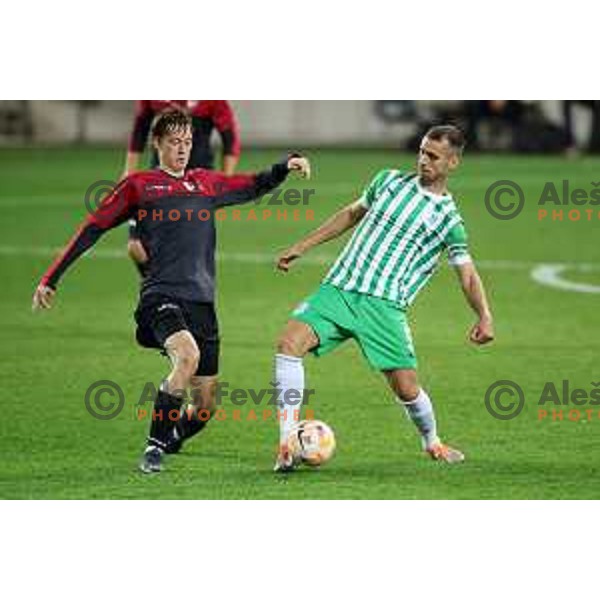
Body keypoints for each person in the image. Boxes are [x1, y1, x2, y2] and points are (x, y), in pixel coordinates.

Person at [32, 109, 310, 474]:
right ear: (158, 144)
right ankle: (153, 448)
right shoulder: (139, 185)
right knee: (186, 356)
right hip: (160, 297)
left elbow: (253, 184)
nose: (182, 149)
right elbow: (92, 228)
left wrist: (285, 164)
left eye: (188, 142)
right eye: (174, 142)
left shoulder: (205, 183)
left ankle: (173, 435)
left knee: (206, 407)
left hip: (202, 304)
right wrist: (52, 277)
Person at [272, 125, 494, 472]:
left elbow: (466, 273)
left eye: (433, 156)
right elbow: (349, 214)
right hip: (340, 289)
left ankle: (432, 442)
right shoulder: (388, 180)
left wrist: (484, 315)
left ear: (453, 162)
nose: (423, 160)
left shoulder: (449, 220)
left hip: (384, 308)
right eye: (422, 151)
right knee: (288, 344)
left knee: (407, 389)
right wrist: (301, 246)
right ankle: (287, 443)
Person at [124, 101, 242, 274]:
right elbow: (140, 128)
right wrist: (129, 171)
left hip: (196, 185)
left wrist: (225, 182)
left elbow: (230, 140)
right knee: (136, 246)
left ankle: (168, 290)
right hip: (158, 179)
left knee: (184, 250)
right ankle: (156, 284)